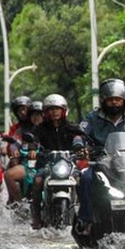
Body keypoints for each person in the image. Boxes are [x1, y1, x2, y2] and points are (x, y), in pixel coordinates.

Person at [73, 78, 125, 234]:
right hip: (100, 163)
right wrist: (79, 145)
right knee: (85, 178)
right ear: (103, 100)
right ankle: (86, 219)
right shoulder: (93, 118)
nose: (115, 103)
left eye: (118, 100)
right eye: (111, 100)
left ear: (124, 100)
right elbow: (79, 133)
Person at [29, 94, 80, 229]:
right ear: (46, 112)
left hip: (69, 164)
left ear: (63, 111)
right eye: (51, 109)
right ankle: (37, 217)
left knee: (81, 180)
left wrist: (83, 147)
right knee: (38, 181)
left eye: (57, 109)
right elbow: (34, 139)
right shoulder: (40, 128)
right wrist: (33, 149)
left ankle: (84, 215)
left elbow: (82, 137)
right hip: (47, 164)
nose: (54, 112)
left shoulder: (71, 126)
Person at [4, 96, 39, 205]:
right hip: (25, 160)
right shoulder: (18, 129)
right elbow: (14, 142)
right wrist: (14, 152)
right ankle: (17, 201)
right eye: (20, 111)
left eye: (25, 109)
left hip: (42, 161)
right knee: (10, 168)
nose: (23, 113)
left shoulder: (45, 127)